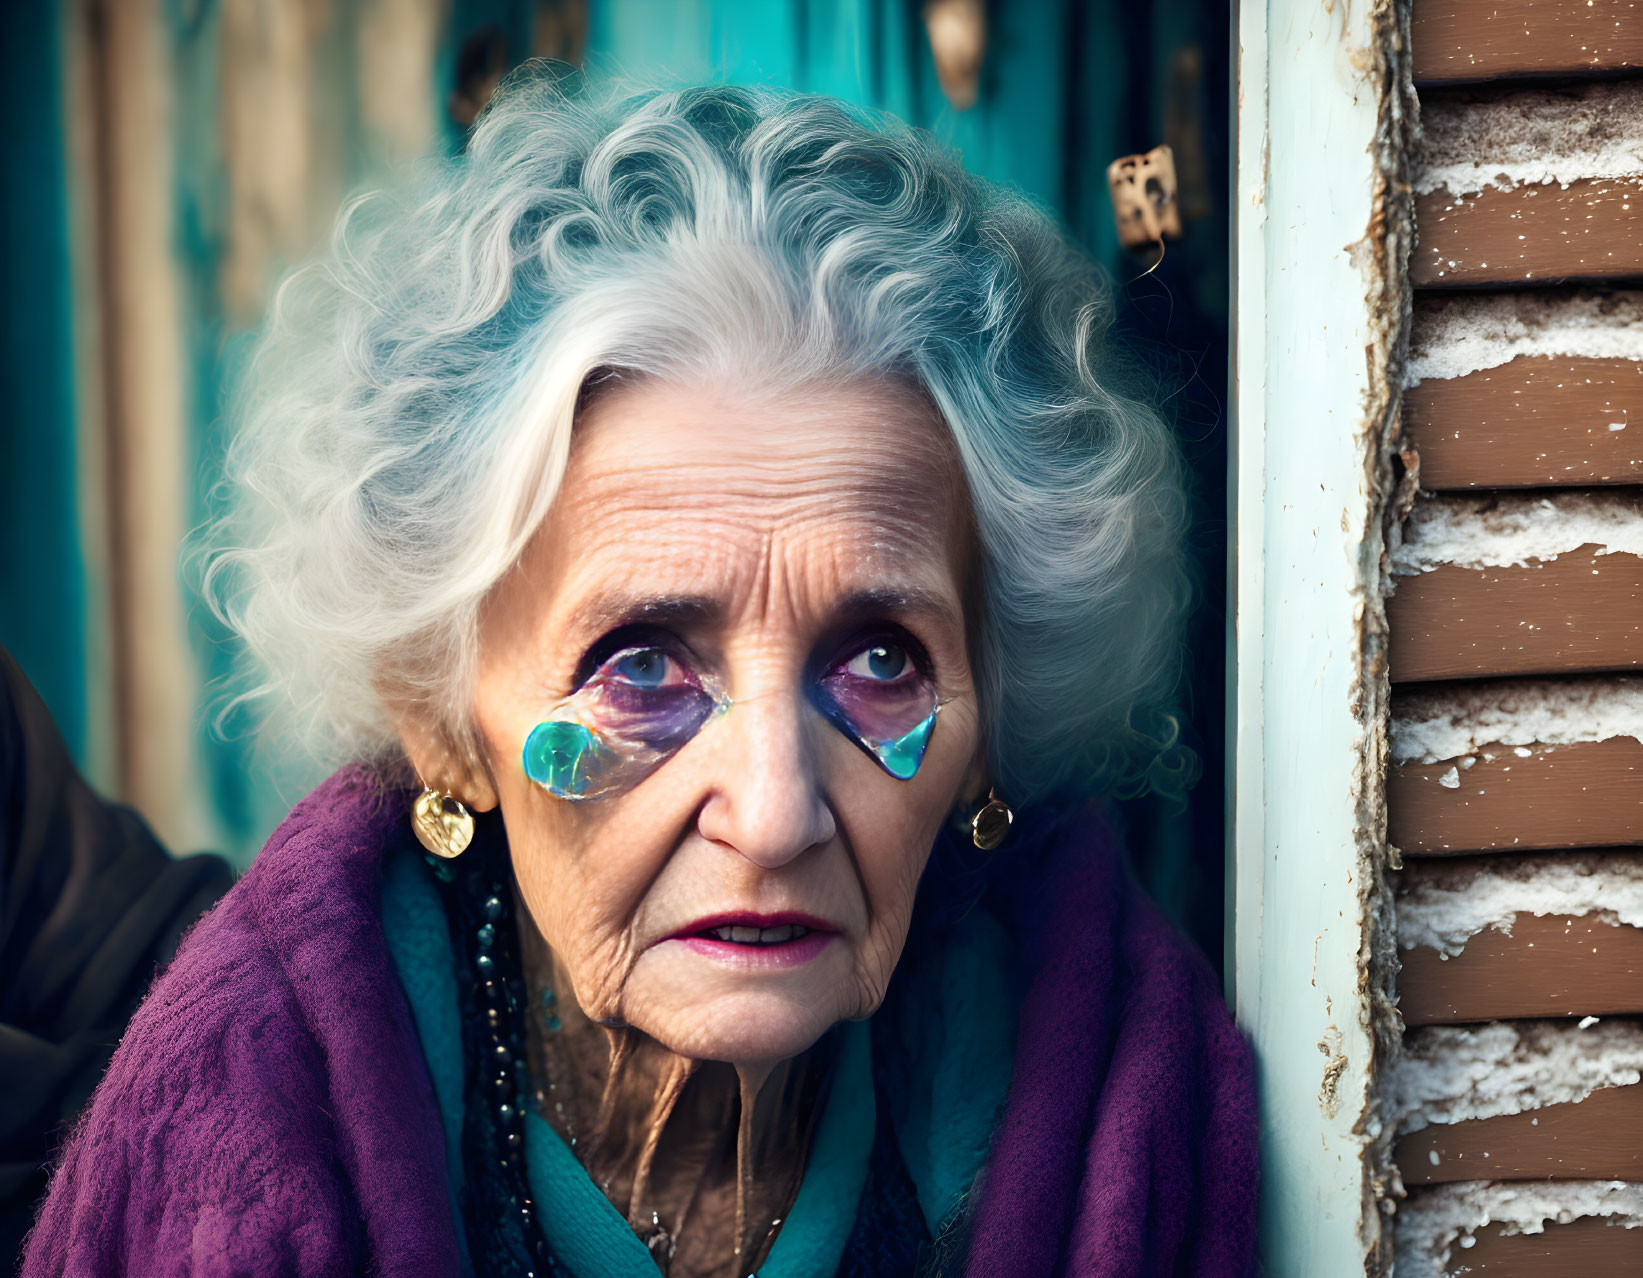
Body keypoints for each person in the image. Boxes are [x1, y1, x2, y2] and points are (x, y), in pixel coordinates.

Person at [23, 70, 1255, 1277]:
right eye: (641, 666)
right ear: (445, 727)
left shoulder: (1128, 1112)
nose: (774, 815)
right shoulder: (241, 1135)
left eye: (883, 659)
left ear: (989, 725)